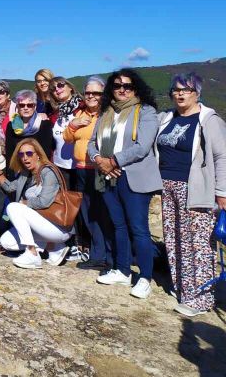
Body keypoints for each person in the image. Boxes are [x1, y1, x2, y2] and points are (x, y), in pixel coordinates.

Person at [156, 72, 226, 316]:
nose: (180, 93)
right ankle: (183, 288)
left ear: (197, 92)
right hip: (168, 186)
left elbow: (221, 156)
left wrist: (222, 192)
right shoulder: (167, 118)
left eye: (185, 89)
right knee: (174, 239)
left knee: (197, 243)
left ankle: (202, 298)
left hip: (195, 187)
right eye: (175, 89)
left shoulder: (209, 119)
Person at [88, 69, 161, 299]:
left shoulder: (146, 112)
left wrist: (114, 161)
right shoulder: (106, 112)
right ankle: (122, 269)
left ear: (135, 88)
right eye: (118, 85)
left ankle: (145, 277)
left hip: (133, 177)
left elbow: (143, 145)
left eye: (127, 86)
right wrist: (99, 160)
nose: (122, 89)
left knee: (138, 229)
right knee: (118, 225)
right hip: (108, 176)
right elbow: (92, 143)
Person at [0, 139, 73, 269]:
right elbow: (9, 187)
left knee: (13, 207)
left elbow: (44, 201)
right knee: (6, 242)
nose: (25, 158)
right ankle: (54, 248)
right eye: (21, 154)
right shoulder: (26, 174)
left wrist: (24, 203)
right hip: (42, 227)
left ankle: (32, 254)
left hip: (57, 227)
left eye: (29, 153)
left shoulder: (48, 172)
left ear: (38, 154)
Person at [63, 76, 113, 271]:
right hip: (81, 168)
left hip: (99, 169)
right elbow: (67, 138)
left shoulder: (107, 115)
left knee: (101, 214)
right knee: (88, 214)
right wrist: (74, 123)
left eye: (96, 93)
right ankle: (97, 254)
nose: (91, 96)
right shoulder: (81, 112)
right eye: (88, 93)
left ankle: (105, 255)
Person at [4, 90, 54, 173]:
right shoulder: (11, 126)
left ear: (34, 107)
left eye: (30, 105)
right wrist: (9, 173)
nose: (26, 108)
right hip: (18, 170)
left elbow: (46, 153)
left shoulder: (45, 125)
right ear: (17, 107)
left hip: (38, 170)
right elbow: (10, 153)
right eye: (22, 105)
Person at [49, 77, 83, 176]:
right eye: (53, 89)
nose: (57, 89)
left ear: (70, 87)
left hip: (80, 166)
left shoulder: (84, 108)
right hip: (58, 166)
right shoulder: (54, 115)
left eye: (60, 85)